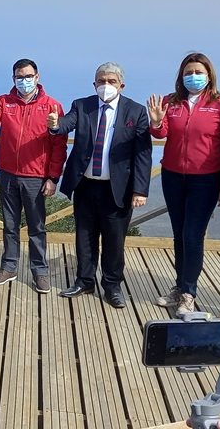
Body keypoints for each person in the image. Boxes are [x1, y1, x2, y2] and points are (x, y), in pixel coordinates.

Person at [49, 62, 152, 308]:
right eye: (101, 81)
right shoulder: (82, 105)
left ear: (121, 85)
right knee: (84, 236)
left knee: (114, 240)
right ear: (94, 84)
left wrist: (140, 189)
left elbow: (143, 154)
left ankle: (112, 286)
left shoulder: (135, 112)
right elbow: (66, 124)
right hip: (85, 184)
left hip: (118, 188)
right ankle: (84, 281)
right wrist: (54, 124)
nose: (106, 85)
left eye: (111, 81)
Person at [147, 53, 220, 316]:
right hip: (173, 175)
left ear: (209, 75)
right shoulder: (169, 101)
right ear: (181, 76)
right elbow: (161, 134)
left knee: (192, 235)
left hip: (206, 178)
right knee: (178, 233)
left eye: (198, 71)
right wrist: (155, 121)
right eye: (188, 72)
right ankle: (179, 285)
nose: (193, 76)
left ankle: (188, 292)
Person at [0, 59, 67, 292]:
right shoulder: (4, 102)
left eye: (28, 76)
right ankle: (9, 267)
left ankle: (40, 271)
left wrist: (53, 178)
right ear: (13, 78)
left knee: (37, 226)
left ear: (37, 78)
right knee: (9, 225)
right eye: (19, 76)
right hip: (7, 174)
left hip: (36, 177)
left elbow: (59, 145)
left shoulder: (52, 106)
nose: (24, 81)